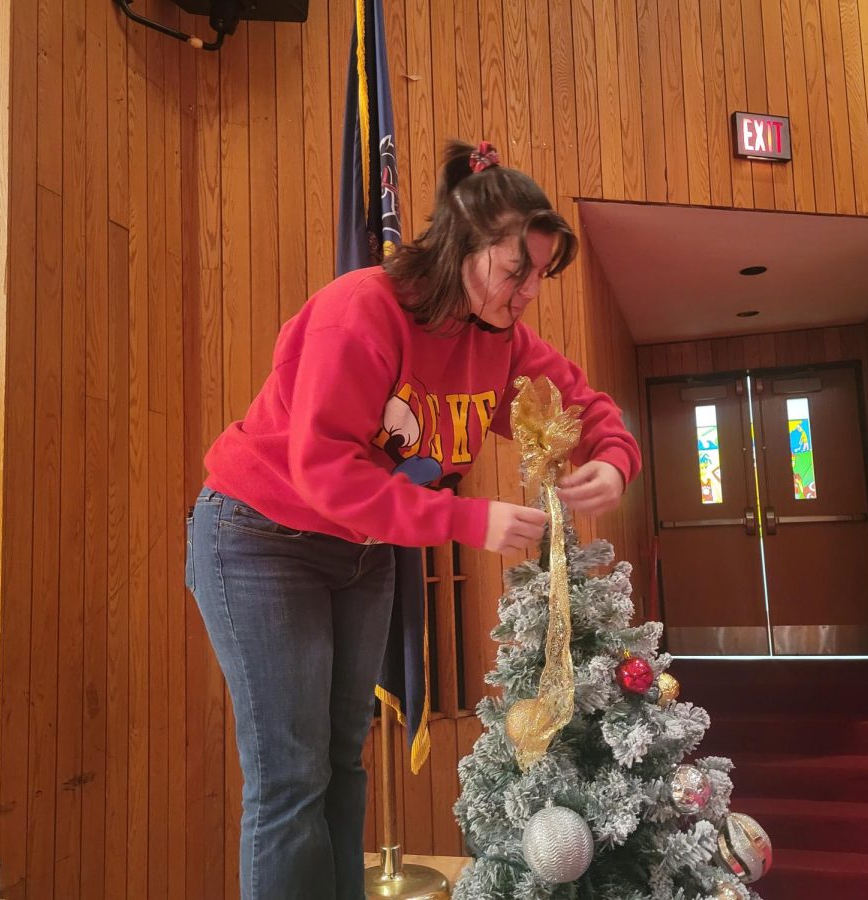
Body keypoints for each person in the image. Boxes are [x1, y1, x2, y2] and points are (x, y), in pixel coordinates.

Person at [185, 139, 642, 900]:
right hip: (259, 537)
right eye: (514, 271)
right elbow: (325, 468)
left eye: (541, 273)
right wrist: (466, 519)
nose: (529, 291)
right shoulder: (359, 310)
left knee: (343, 761)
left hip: (359, 550)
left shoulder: (500, 341)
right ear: (464, 247)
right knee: (290, 776)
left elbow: (584, 405)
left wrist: (614, 459)